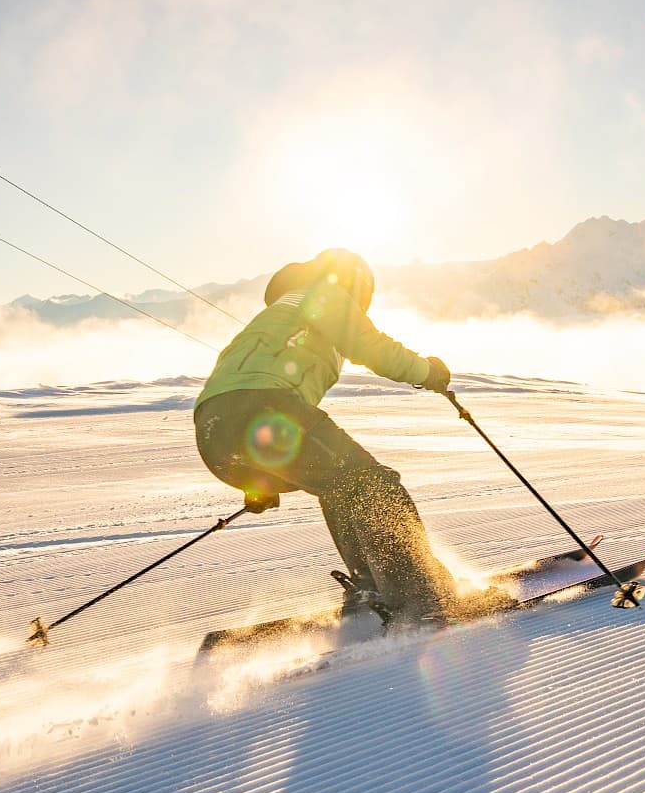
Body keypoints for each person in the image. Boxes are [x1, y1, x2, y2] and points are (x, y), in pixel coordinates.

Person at [194, 248, 459, 622]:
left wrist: (257, 481)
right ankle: (423, 599)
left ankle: (370, 589)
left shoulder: (273, 317)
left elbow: (232, 398)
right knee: (373, 485)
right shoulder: (326, 293)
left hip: (214, 433)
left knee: (340, 485)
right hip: (267, 409)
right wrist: (428, 371)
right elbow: (374, 348)